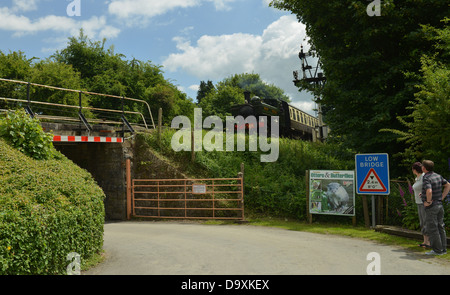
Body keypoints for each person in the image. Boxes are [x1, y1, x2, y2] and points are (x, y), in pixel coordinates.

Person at [421, 160, 450, 255]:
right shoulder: (438, 175)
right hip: (439, 205)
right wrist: (441, 197)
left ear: (424, 168)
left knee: (433, 228)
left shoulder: (426, 178)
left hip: (431, 207)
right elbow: (448, 185)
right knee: (440, 227)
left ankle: (437, 250)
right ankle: (443, 249)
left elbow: (429, 191)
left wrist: (428, 201)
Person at [411, 162, 429, 248]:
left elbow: (428, 187)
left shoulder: (423, 177)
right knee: (422, 222)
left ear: (415, 170)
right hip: (418, 202)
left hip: (424, 202)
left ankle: (429, 242)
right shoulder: (417, 178)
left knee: (426, 221)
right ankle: (424, 241)